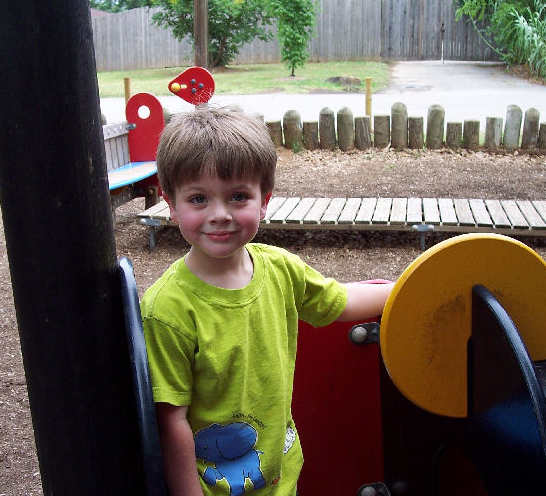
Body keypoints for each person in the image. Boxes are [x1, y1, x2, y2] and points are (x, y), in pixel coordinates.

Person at [140, 107, 394, 496]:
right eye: (198, 198)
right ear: (171, 203)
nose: (220, 214)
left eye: (238, 196)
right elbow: (170, 420)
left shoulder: (280, 270)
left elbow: (340, 300)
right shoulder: (168, 310)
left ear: (264, 200)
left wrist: (404, 289)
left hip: (278, 476)